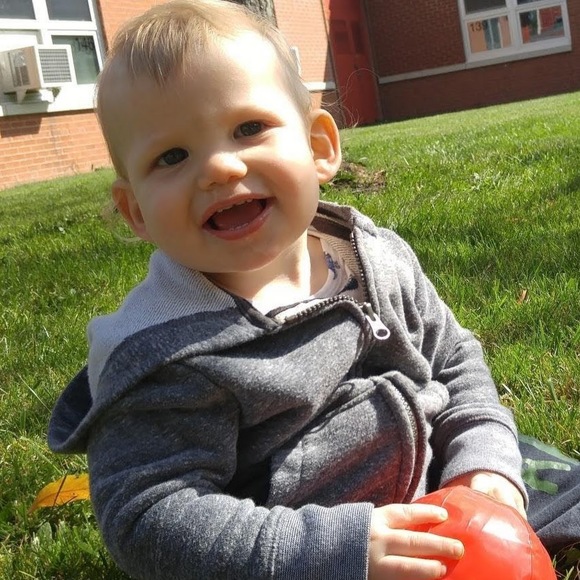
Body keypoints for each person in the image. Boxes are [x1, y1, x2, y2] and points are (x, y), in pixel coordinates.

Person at [48, 1, 579, 579]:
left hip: (440, 478)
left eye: (248, 128)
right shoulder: (168, 355)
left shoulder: (374, 259)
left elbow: (452, 360)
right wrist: (332, 551)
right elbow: (148, 518)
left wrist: (484, 464)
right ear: (136, 212)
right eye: (171, 156)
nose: (221, 167)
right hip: (309, 548)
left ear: (320, 145)